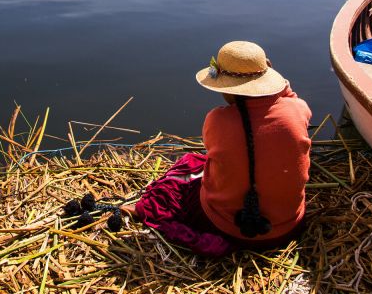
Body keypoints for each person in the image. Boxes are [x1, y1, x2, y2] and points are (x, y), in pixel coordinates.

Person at [126, 40, 312, 256]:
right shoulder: (298, 110)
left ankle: (140, 210)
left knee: (184, 174)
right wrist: (278, 83)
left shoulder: (217, 119)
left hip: (226, 228)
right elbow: (290, 100)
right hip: (288, 228)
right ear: (266, 78)